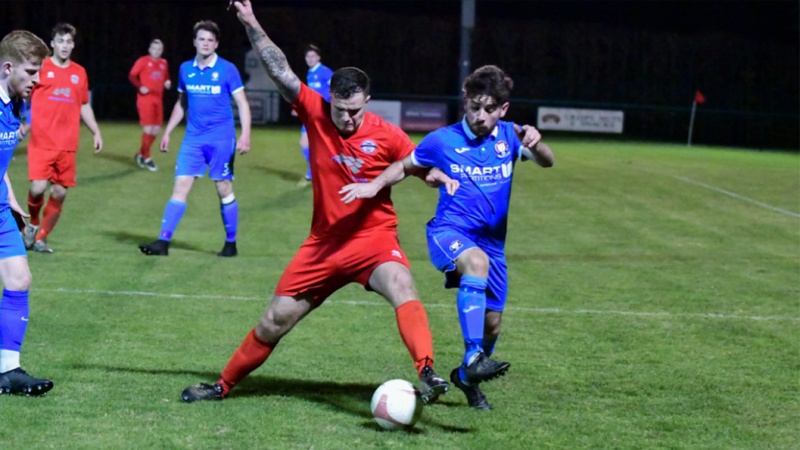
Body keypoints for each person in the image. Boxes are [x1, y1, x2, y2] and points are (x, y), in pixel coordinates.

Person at [180, 0, 456, 404]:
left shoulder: (387, 134)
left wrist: (438, 177)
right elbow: (279, 68)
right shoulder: (314, 110)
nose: (346, 119)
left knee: (402, 282)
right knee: (274, 320)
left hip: (372, 240)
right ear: (329, 97)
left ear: (368, 100)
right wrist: (251, 21)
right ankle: (222, 385)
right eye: (340, 110)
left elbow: (415, 167)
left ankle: (427, 371)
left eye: (355, 111)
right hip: (324, 245)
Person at [340, 65, 555, 410]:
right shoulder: (443, 140)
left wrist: (537, 142)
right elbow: (405, 165)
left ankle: (467, 377)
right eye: (474, 107)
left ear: (503, 109)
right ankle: (472, 357)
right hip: (448, 232)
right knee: (476, 262)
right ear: (465, 103)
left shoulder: (510, 136)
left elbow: (547, 162)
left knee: (493, 325)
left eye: (489, 109)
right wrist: (372, 185)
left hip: (493, 245)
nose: (480, 116)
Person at [138, 20, 251, 258]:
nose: (206, 43)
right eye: (202, 39)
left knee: (223, 188)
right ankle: (163, 242)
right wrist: (168, 131)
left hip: (222, 140)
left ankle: (231, 243)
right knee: (180, 186)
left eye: (210, 40)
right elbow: (182, 103)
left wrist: (246, 135)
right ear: (194, 42)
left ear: (216, 44)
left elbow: (242, 103)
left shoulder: (227, 69)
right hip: (193, 140)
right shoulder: (185, 69)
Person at [0, 30, 54, 395]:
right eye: (32, 72)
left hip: (1, 207)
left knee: (19, 279)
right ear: (7, 67)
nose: (38, 80)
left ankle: (8, 371)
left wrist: (11, 197)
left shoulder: (12, 105)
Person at [23, 23, 103, 254]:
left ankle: (41, 238)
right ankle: (34, 224)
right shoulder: (41, 68)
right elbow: (23, 92)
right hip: (41, 141)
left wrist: (96, 131)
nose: (65, 46)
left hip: (67, 144)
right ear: (53, 44)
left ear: (73, 44)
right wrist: (21, 122)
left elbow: (83, 105)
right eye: (61, 41)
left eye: (69, 42)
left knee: (59, 192)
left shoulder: (79, 73)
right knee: (38, 188)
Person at [128, 38, 171, 171]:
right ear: (149, 49)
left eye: (159, 49)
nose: (156, 51)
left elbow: (166, 76)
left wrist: (167, 81)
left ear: (162, 51)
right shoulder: (143, 61)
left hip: (158, 99)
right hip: (145, 99)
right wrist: (140, 86)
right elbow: (132, 76)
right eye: (154, 48)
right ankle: (147, 157)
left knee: (156, 130)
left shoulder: (164, 63)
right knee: (148, 129)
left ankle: (140, 154)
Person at [295, 44, 333, 187]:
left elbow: (336, 88)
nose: (309, 59)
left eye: (312, 56)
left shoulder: (325, 71)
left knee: (320, 145)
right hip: (311, 113)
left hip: (322, 114)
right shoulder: (310, 73)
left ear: (318, 57)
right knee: (306, 143)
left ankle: (313, 174)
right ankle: (316, 172)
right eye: (307, 56)